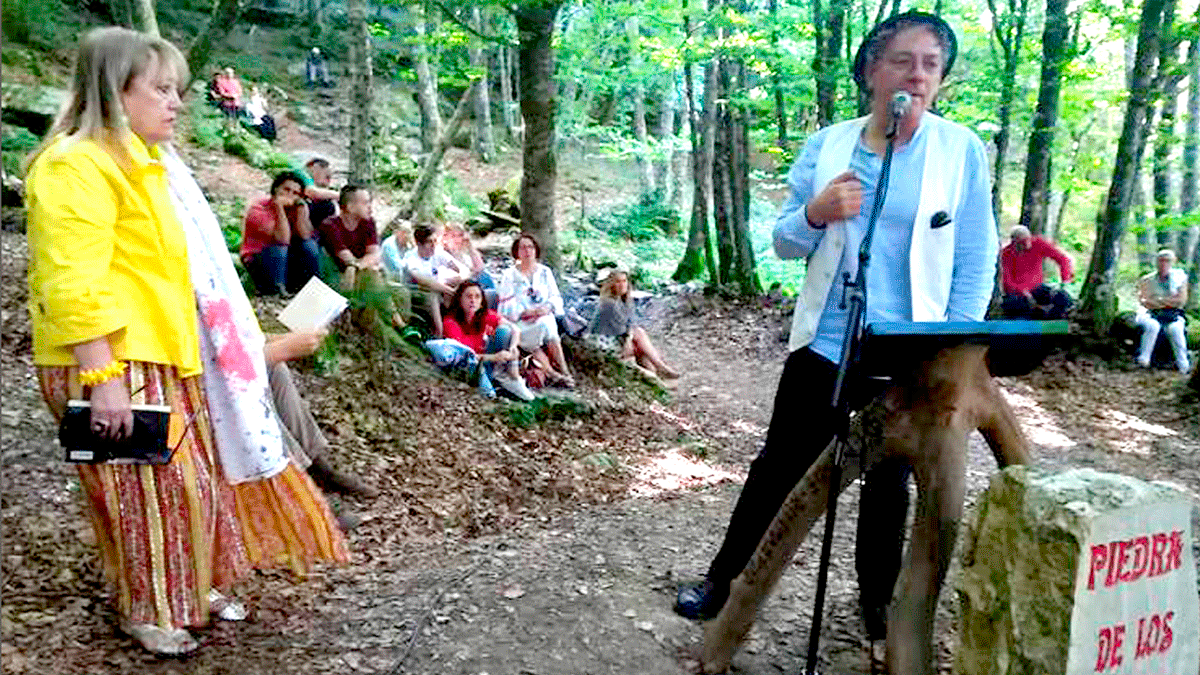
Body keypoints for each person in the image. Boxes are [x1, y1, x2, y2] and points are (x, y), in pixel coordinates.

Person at [672, 11, 997, 646]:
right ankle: (725, 579)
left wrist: (955, 344)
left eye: (931, 64)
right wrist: (816, 214)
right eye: (903, 60)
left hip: (913, 348)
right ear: (873, 70)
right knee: (780, 467)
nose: (918, 75)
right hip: (827, 341)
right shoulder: (830, 144)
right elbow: (786, 242)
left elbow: (975, 255)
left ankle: (876, 603)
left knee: (889, 481)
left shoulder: (960, 151)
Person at [25, 27, 348, 656]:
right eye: (162, 89)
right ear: (116, 91)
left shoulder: (148, 166)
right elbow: (73, 283)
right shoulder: (76, 165)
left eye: (179, 90)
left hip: (164, 356)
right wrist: (103, 380)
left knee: (191, 488)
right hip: (112, 360)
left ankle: (182, 589)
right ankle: (148, 609)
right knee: (144, 495)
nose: (177, 102)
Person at [497, 234, 576, 387]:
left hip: (542, 317)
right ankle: (555, 374)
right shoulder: (509, 275)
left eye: (530, 247)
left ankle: (563, 372)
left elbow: (555, 296)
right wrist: (527, 313)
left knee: (547, 323)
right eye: (522, 247)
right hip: (519, 322)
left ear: (536, 250)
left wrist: (546, 308)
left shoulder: (545, 272)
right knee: (543, 327)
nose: (527, 251)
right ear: (517, 252)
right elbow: (507, 303)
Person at [442, 281, 537, 401]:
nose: (473, 301)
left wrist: (513, 347)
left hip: (490, 361)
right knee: (489, 393)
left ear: (482, 302)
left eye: (477, 297)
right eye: (468, 296)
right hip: (470, 367)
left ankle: (512, 377)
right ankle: (498, 384)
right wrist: (494, 357)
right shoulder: (450, 323)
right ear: (459, 300)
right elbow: (463, 357)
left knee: (504, 331)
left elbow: (515, 329)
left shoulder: (485, 315)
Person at [586, 268, 680, 384]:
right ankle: (660, 370)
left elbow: (630, 323)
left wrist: (629, 337)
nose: (622, 285)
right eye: (618, 282)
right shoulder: (608, 303)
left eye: (624, 281)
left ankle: (657, 376)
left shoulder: (624, 300)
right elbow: (621, 330)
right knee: (639, 339)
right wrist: (629, 339)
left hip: (616, 340)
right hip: (603, 345)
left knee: (640, 342)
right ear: (611, 285)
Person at [241, 170, 321, 295]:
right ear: (276, 189)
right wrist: (279, 207)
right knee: (280, 248)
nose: (289, 195)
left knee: (309, 245)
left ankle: (309, 290)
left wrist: (302, 211)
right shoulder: (258, 209)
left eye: (295, 193)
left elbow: (305, 236)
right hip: (260, 257)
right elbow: (282, 239)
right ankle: (275, 291)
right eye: (286, 190)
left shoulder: (295, 208)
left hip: (285, 260)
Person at [403, 223, 469, 337]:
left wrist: (459, 280)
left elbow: (462, 269)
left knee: (460, 282)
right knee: (433, 294)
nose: (433, 245)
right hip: (415, 292)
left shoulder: (437, 252)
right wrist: (449, 290)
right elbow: (425, 281)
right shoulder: (411, 259)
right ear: (419, 244)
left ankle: (464, 325)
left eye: (435, 241)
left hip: (437, 287)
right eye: (429, 242)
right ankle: (439, 332)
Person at [999, 224, 1074, 319]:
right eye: (1022, 242)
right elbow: (1007, 282)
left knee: (1062, 297)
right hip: (1018, 294)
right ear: (1014, 242)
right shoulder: (1006, 254)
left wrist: (1065, 281)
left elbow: (1063, 259)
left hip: (1037, 288)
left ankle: (1052, 320)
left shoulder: (1038, 243)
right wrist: (1023, 292)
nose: (1026, 245)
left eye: (1027, 240)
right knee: (1016, 306)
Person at [1134, 249, 1191, 373]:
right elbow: (1144, 301)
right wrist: (1168, 301)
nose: (1164, 264)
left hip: (1173, 315)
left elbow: (1181, 301)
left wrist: (1158, 300)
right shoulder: (1147, 280)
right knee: (1152, 326)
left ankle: (1184, 365)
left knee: (1176, 330)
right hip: (1150, 314)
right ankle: (1144, 360)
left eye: (1167, 261)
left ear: (1172, 262)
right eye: (1161, 260)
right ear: (1156, 262)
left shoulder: (1180, 279)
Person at [301, 156, 339, 229]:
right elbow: (313, 192)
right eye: (327, 176)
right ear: (313, 169)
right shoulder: (305, 178)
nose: (329, 181)